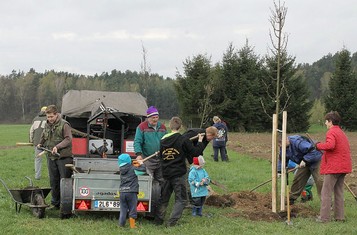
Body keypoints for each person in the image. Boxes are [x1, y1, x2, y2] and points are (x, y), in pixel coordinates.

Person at [155, 117, 205, 227]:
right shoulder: (183, 139)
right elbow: (195, 152)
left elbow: (161, 157)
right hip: (178, 174)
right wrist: (200, 141)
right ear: (181, 127)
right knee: (181, 199)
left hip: (166, 173)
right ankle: (171, 223)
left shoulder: (163, 141)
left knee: (164, 198)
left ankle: (158, 221)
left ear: (170, 126)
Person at [315, 111, 352, 223]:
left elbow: (330, 145)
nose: (325, 123)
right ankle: (339, 217)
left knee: (325, 192)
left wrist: (318, 145)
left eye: (326, 121)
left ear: (330, 122)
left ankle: (324, 218)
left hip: (334, 167)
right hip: (344, 166)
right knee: (339, 192)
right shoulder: (341, 132)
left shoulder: (331, 132)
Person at [38, 105, 73, 215]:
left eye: (51, 116)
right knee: (54, 181)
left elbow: (68, 139)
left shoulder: (64, 124)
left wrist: (57, 147)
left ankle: (66, 204)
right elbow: (44, 135)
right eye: (48, 117)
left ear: (56, 114)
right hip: (51, 157)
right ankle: (55, 203)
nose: (50, 119)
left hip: (63, 157)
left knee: (65, 181)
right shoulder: (47, 124)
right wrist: (40, 143)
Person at [134, 106, 167, 218]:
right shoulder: (141, 127)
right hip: (148, 159)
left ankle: (160, 204)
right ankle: (148, 209)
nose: (155, 120)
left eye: (157, 117)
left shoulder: (162, 127)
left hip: (161, 159)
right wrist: (138, 155)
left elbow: (166, 141)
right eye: (153, 117)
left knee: (162, 181)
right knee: (149, 181)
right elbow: (137, 142)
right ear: (148, 118)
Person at [279, 135, 323, 205]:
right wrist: (279, 171)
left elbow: (313, 150)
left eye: (282, 143)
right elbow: (282, 159)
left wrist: (305, 160)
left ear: (286, 139)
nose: (281, 146)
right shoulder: (283, 147)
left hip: (316, 159)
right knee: (298, 178)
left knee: (320, 181)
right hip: (304, 162)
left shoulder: (298, 142)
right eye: (280, 144)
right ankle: (291, 199)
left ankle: (326, 204)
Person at [118, 153, 145, 228]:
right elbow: (142, 171)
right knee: (132, 209)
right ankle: (132, 226)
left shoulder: (121, 170)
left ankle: (121, 225)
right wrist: (141, 163)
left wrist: (136, 164)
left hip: (122, 192)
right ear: (129, 160)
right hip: (131, 192)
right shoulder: (133, 169)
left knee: (123, 210)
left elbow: (130, 168)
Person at [29, 106, 47, 180]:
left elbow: (31, 131)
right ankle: (51, 176)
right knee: (50, 160)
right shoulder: (49, 119)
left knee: (37, 159)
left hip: (37, 143)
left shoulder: (35, 119)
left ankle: (37, 176)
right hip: (47, 143)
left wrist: (31, 140)